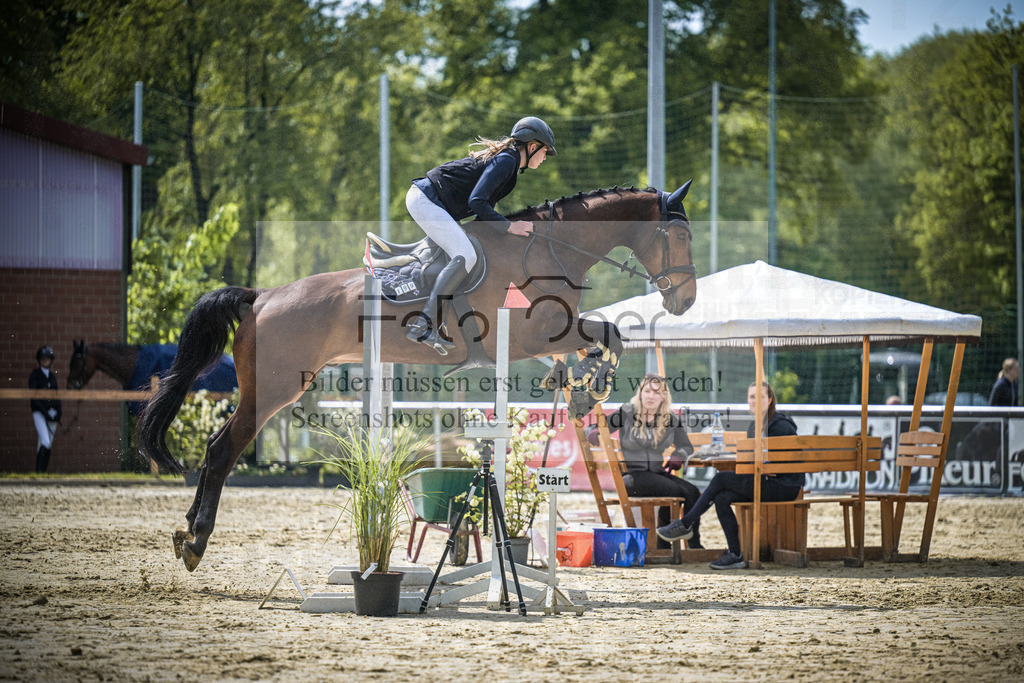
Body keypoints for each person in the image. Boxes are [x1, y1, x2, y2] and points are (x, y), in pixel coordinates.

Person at [405, 116, 556, 354]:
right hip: (426, 199)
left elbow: (483, 214)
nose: (545, 157)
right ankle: (423, 325)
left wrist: (504, 235)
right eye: (545, 151)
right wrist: (509, 227)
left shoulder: (511, 169)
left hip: (435, 203)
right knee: (466, 255)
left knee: (470, 252)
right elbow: (477, 201)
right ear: (533, 146)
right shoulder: (507, 160)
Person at [656, 381, 802, 569]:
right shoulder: (755, 427)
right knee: (722, 497)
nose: (755, 401)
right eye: (752, 397)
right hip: (766, 482)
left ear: (770, 399)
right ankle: (735, 554)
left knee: (721, 478)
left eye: (761, 397)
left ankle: (685, 523)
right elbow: (755, 464)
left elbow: (782, 466)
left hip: (784, 486)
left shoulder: (781, 426)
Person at [586, 374, 702, 548]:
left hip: (656, 473)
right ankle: (663, 542)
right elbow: (594, 427)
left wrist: (678, 455)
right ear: (640, 393)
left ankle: (694, 543)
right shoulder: (627, 412)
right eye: (647, 391)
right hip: (632, 477)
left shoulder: (670, 418)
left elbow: (686, 446)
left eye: (656, 392)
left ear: (663, 396)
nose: (650, 396)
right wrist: (594, 432)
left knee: (692, 491)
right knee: (673, 490)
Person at [29, 345, 62, 473]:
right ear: (39, 360)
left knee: (45, 443)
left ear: (51, 360)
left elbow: (57, 396)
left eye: (47, 358)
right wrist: (45, 413)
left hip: (52, 412)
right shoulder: (35, 375)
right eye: (42, 358)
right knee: (45, 441)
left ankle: (41, 472)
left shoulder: (52, 377)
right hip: (39, 412)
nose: (45, 361)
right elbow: (34, 398)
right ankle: (39, 471)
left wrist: (59, 412)